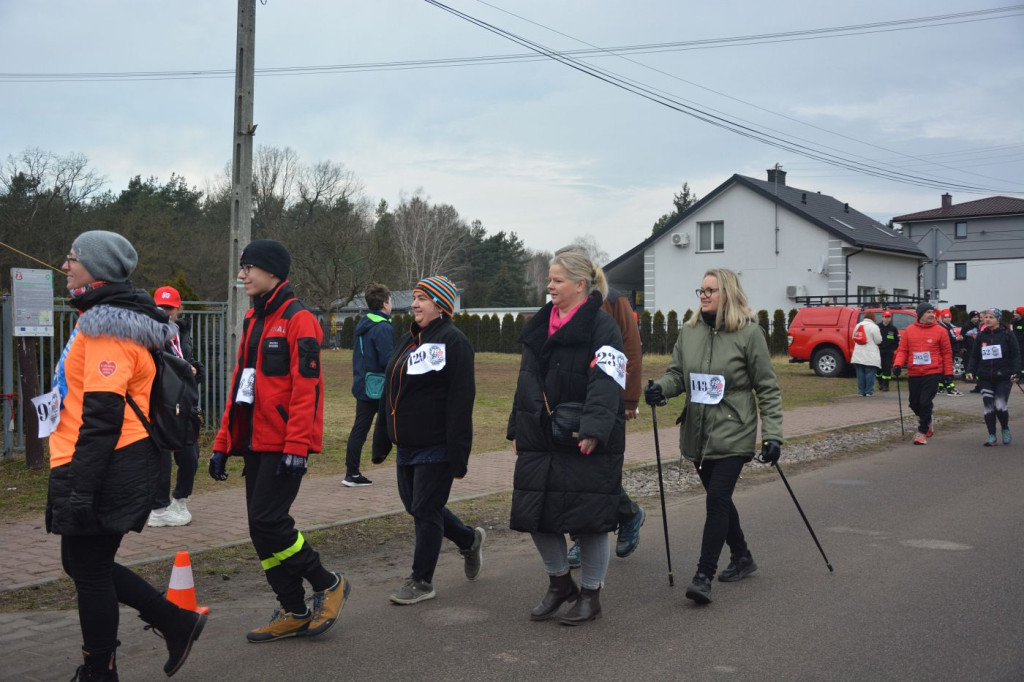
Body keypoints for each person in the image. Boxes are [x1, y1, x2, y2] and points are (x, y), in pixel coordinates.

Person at [47, 231, 205, 681]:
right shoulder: (106, 319)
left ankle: (100, 670)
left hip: (107, 464)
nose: (65, 265)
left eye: (73, 258)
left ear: (97, 268)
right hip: (99, 460)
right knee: (80, 564)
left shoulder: (108, 329)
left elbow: (103, 418)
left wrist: (82, 489)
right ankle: (176, 621)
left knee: (90, 570)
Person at [209, 239, 350, 643]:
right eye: (242, 268)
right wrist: (222, 444)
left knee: (271, 522)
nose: (242, 275)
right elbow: (240, 386)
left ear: (273, 272)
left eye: (248, 268)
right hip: (254, 443)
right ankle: (293, 609)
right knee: (260, 529)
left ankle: (329, 582)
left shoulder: (300, 318)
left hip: (285, 444)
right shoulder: (253, 321)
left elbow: (308, 389)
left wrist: (296, 446)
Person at [645, 268, 783, 606]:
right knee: (720, 499)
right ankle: (742, 555)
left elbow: (767, 387)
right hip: (698, 431)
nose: (704, 295)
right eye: (701, 290)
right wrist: (660, 389)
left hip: (734, 429)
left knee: (716, 500)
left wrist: (773, 435)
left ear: (729, 294)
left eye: (711, 290)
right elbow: (678, 375)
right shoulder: (690, 332)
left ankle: (703, 576)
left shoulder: (750, 334)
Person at [508, 250, 626, 625]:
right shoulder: (539, 325)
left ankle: (591, 594)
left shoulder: (603, 326)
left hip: (581, 436)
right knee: (535, 514)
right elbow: (524, 381)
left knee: (587, 519)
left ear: (580, 285)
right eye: (549, 279)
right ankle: (560, 583)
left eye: (557, 280)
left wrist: (594, 428)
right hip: (540, 436)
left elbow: (608, 381)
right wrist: (517, 425)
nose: (550, 286)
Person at [371, 275, 485, 605]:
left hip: (437, 444)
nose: (415, 304)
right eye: (415, 298)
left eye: (423, 298)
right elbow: (388, 392)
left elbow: (462, 400)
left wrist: (458, 454)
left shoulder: (454, 342)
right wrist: (381, 441)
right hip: (406, 443)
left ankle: (421, 580)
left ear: (441, 305)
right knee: (417, 506)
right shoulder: (407, 341)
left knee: (425, 508)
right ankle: (468, 540)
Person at [559, 249, 644, 568]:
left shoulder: (614, 300)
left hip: (606, 400)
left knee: (596, 474)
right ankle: (596, 529)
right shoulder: (560, 305)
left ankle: (621, 519)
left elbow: (631, 351)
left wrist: (629, 400)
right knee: (572, 473)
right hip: (569, 403)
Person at [147, 285, 204, 527]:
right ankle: (158, 508)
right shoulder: (148, 332)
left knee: (189, 453)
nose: (165, 311)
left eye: (169, 307)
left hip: (184, 402)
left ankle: (180, 499)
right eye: (160, 306)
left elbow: (186, 360)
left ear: (178, 309)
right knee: (160, 454)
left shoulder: (182, 331)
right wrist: (184, 369)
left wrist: (196, 370)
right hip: (159, 402)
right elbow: (156, 361)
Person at [343, 283, 393, 487]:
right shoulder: (383, 327)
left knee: (360, 428)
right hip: (378, 386)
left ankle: (351, 472)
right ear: (384, 303)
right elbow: (387, 359)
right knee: (394, 423)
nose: (391, 304)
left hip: (363, 382)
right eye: (390, 300)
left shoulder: (364, 323)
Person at [892, 302, 953, 445]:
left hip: (933, 372)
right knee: (914, 403)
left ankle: (922, 431)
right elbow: (902, 351)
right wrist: (898, 364)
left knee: (925, 402)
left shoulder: (940, 331)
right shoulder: (909, 330)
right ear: (920, 315)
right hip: (914, 372)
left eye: (933, 312)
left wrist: (948, 372)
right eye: (928, 312)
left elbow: (947, 353)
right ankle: (927, 418)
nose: (932, 315)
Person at [965, 308, 1021, 446]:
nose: (987, 319)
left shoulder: (1007, 334)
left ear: (998, 320)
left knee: (1000, 406)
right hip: (985, 377)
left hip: (1003, 377)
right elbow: (975, 355)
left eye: (991, 317)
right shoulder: (981, 335)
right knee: (989, 406)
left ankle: (1005, 428)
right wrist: (970, 370)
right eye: (987, 317)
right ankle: (992, 435)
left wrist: (1016, 372)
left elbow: (1015, 355)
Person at [851, 312, 882, 396]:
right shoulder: (874, 327)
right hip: (870, 354)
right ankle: (868, 391)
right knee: (870, 373)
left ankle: (861, 391)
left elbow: (853, 337)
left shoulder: (858, 325)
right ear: (873, 318)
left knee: (860, 374)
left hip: (858, 353)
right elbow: (878, 340)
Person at [936, 309, 963, 396]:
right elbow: (947, 339)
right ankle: (949, 387)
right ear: (942, 318)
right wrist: (956, 339)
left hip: (951, 349)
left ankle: (940, 387)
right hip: (947, 351)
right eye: (946, 317)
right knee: (947, 369)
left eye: (949, 317)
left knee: (944, 369)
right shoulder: (943, 327)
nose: (948, 319)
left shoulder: (949, 326)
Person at [876, 311, 900, 392]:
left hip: (888, 352)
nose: (887, 319)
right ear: (882, 317)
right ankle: (880, 383)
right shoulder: (877, 327)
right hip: (878, 351)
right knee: (878, 368)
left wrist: (892, 349)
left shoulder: (893, 329)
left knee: (887, 368)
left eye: (888, 317)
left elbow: (897, 341)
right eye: (885, 317)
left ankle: (886, 385)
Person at [961, 311, 982, 393]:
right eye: (974, 317)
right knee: (968, 364)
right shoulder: (966, 326)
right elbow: (962, 336)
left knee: (977, 367)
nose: (976, 319)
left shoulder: (978, 326)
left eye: (977, 317)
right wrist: (962, 347)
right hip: (968, 349)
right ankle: (970, 378)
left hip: (976, 348)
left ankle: (979, 385)